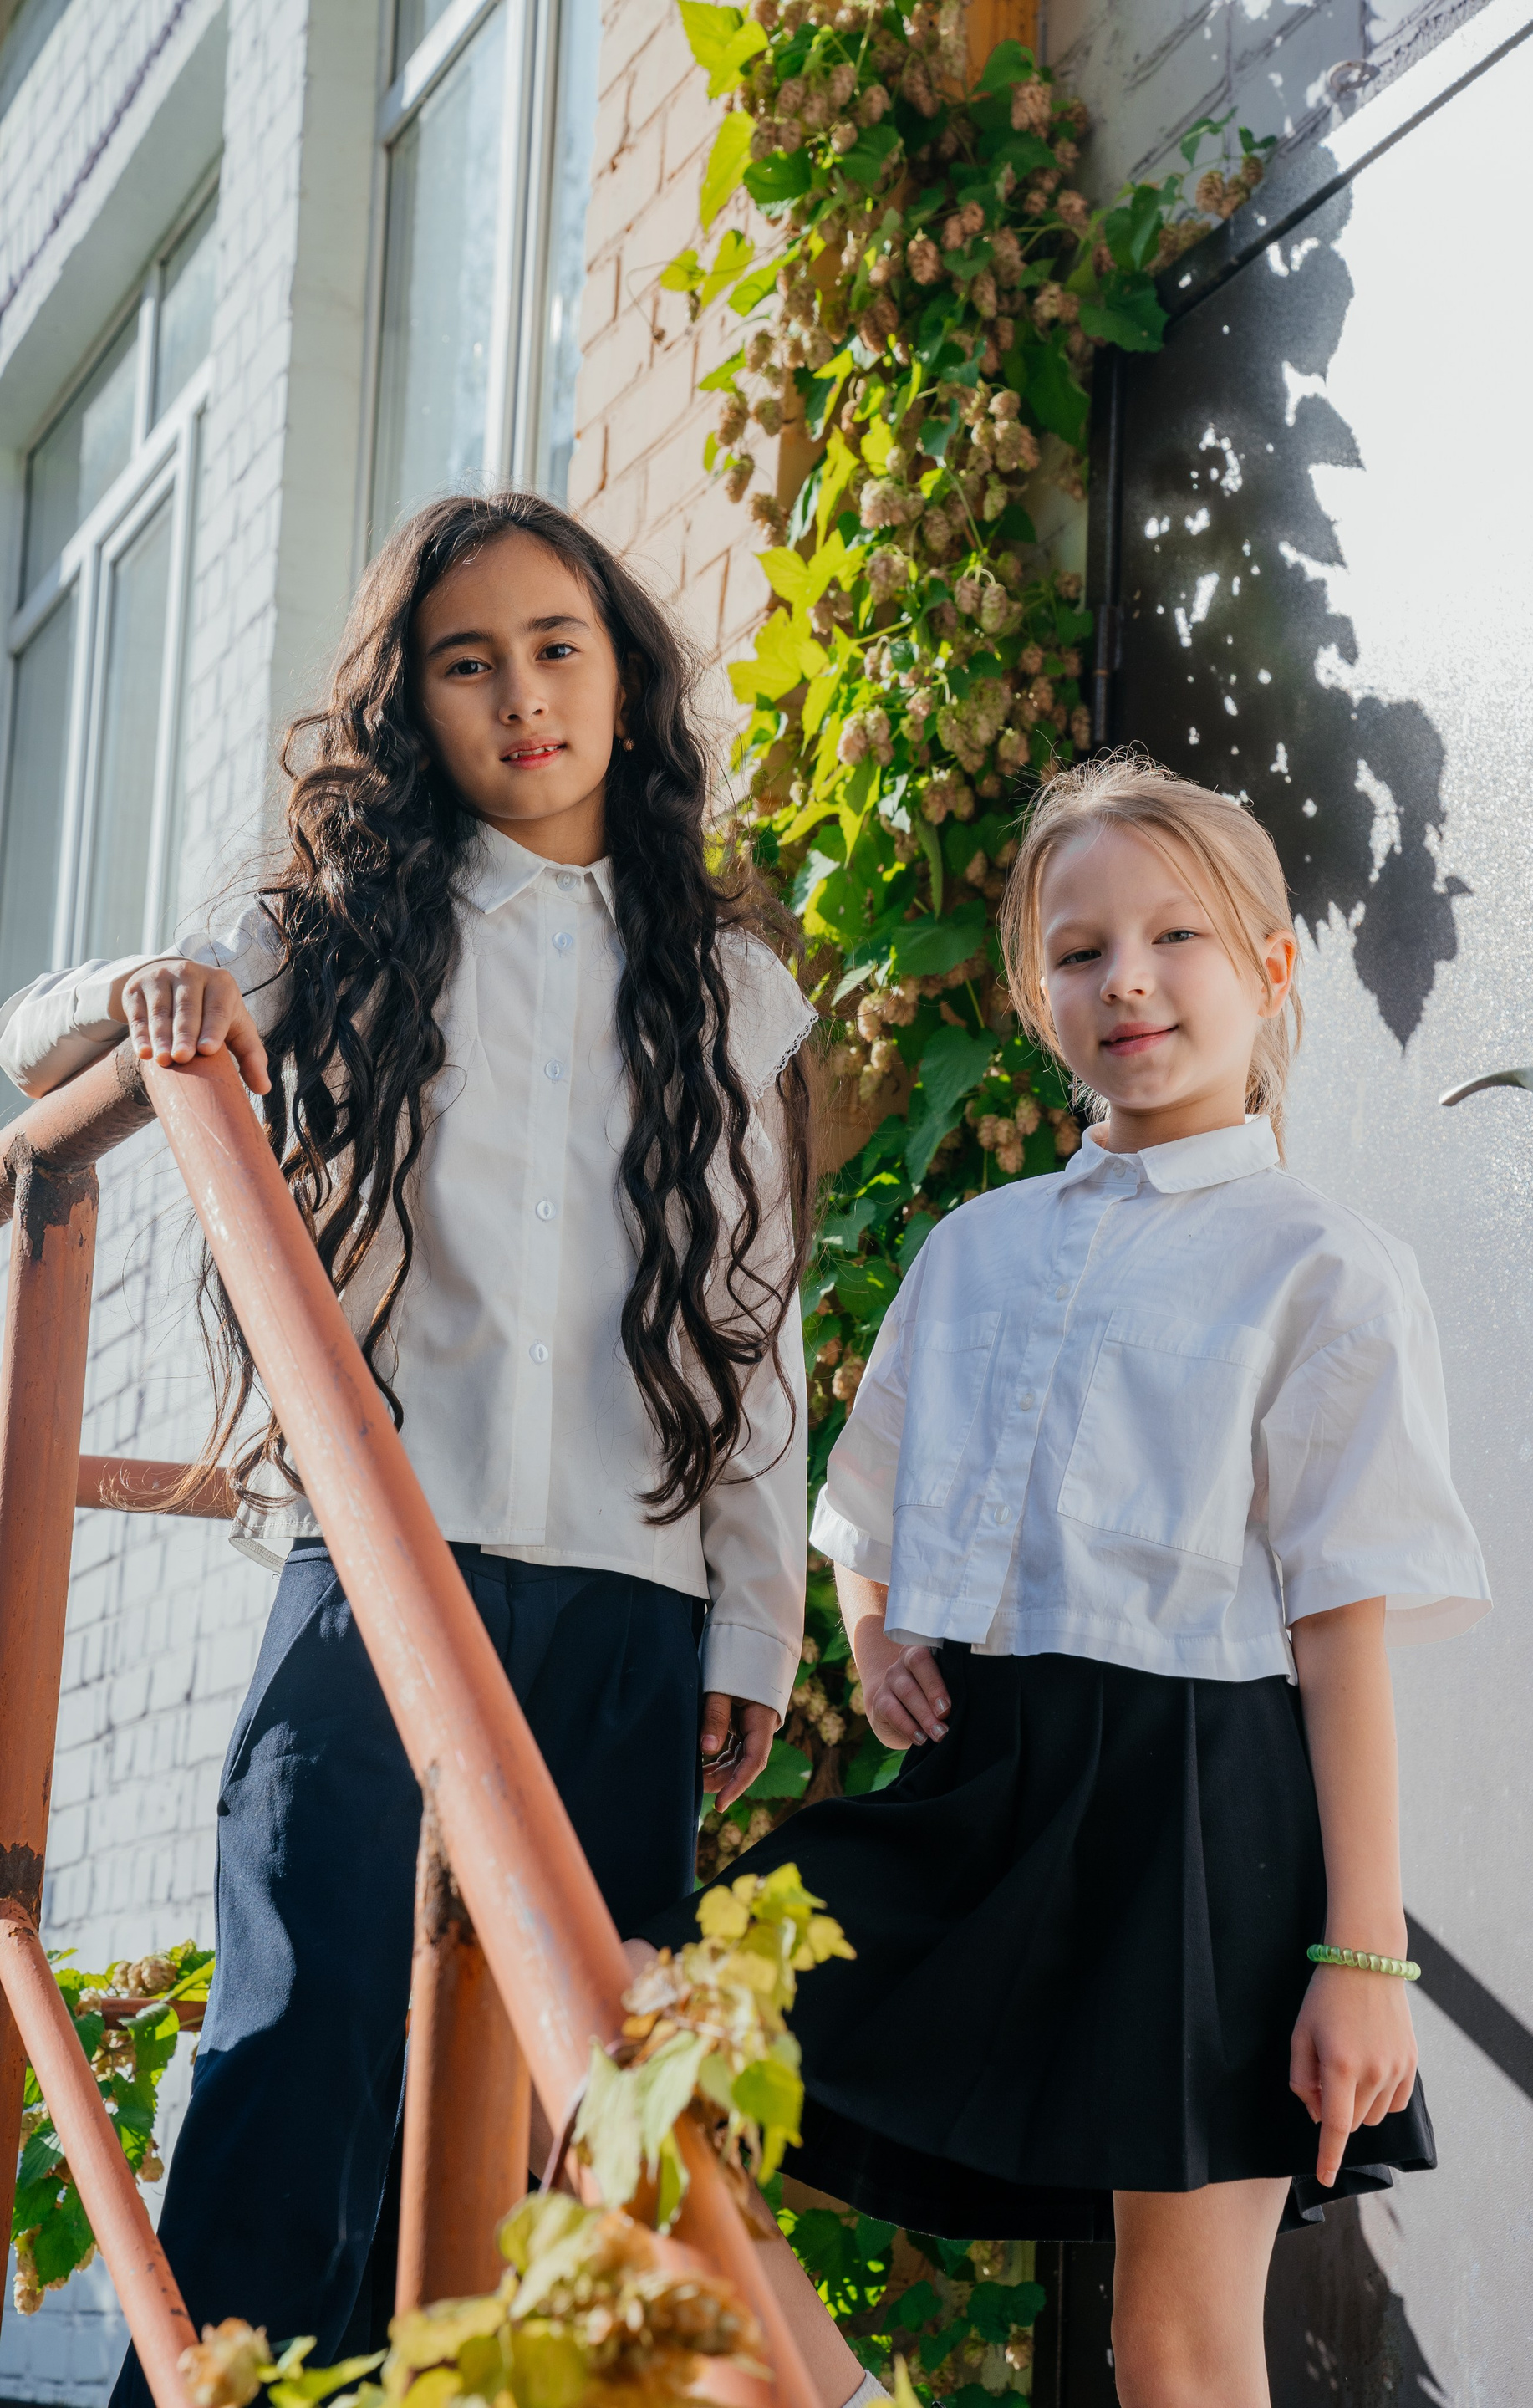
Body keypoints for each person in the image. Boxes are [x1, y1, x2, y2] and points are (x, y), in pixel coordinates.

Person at [0, 494, 816, 2397]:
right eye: (469, 663)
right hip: (375, 1574)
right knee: (297, 2053)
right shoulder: (333, 930)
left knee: (566, 2128)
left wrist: (757, 1622)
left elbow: (756, 1320)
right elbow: (35, 1046)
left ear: (623, 676)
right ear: (412, 707)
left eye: (557, 648)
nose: (522, 696)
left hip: (627, 1598)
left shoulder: (731, 986)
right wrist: (139, 994)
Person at [636, 756, 1491, 2408]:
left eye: (1178, 937)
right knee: (651, 2044)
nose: (1129, 981)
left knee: (1174, 2346)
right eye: (1081, 952)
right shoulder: (976, 1251)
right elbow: (871, 1514)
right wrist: (877, 1639)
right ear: (1037, 997)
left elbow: (1342, 1636)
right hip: (984, 1796)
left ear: (1271, 968)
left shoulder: (1324, 1268)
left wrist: (1363, 1958)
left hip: (1208, 1820)